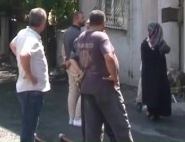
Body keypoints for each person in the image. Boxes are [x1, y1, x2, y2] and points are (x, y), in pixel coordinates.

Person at [74, 10, 133, 142]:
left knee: (92, 131)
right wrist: (114, 76)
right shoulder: (101, 36)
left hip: (87, 88)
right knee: (121, 127)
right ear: (103, 23)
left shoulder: (81, 37)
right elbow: (109, 57)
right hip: (105, 88)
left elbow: (77, 58)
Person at [10, 8, 50, 142]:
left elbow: (13, 45)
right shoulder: (32, 38)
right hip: (31, 90)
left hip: (26, 89)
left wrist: (22, 65)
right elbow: (24, 54)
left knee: (30, 127)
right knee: (28, 129)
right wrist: (29, 74)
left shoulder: (23, 33)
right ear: (43, 22)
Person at [140, 22, 172, 120]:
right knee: (154, 91)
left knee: (153, 91)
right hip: (155, 72)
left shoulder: (147, 42)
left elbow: (167, 50)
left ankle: (153, 112)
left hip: (151, 72)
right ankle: (153, 112)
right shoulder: (153, 43)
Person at [62, 11, 85, 127]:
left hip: (68, 65)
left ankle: (71, 118)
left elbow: (63, 47)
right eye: (82, 18)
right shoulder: (78, 34)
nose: (84, 19)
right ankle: (77, 117)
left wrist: (64, 60)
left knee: (72, 91)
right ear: (76, 19)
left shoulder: (66, 32)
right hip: (75, 65)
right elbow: (78, 52)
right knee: (84, 90)